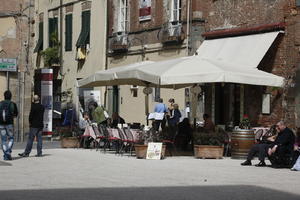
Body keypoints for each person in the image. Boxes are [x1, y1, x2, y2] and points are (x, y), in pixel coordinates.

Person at [0, 90, 18, 160]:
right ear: (11, 96)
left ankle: (5, 155)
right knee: (11, 138)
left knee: (4, 140)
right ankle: (8, 152)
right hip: (9, 124)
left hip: (1, 124)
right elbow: (16, 114)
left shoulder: (0, 103)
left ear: (4, 96)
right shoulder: (12, 104)